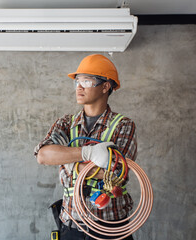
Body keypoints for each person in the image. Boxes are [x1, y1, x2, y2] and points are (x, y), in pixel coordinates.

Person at [34, 54, 137, 240]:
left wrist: (68, 163)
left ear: (106, 86)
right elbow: (43, 155)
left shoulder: (123, 125)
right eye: (77, 82)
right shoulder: (66, 123)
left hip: (110, 227)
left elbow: (118, 172)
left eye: (87, 81)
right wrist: (87, 153)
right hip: (71, 226)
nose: (79, 87)